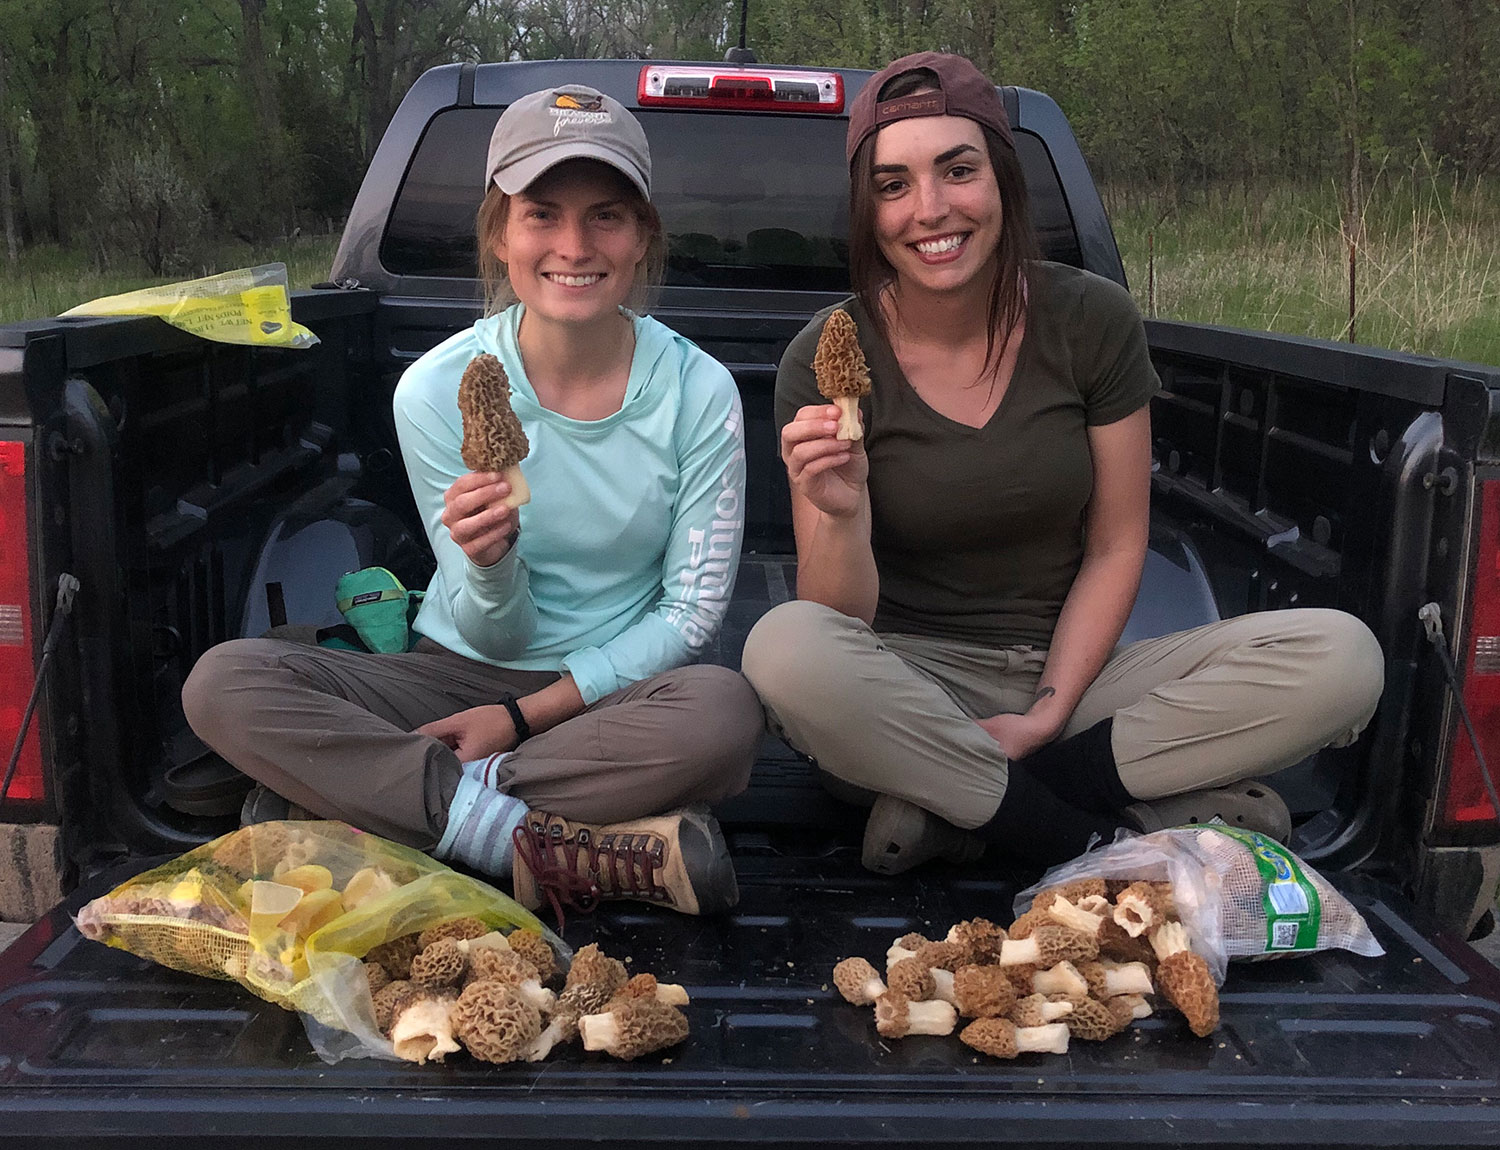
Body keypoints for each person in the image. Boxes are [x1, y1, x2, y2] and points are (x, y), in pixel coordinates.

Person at [740, 52, 1385, 874]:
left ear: (1004, 180)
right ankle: (1088, 836)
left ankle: (980, 807)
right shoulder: (827, 356)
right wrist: (836, 512)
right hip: (910, 691)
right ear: (868, 212)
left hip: (1075, 683)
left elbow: (1119, 544)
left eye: (958, 170)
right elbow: (840, 623)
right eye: (893, 185)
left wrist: (1046, 714)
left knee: (1343, 657)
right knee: (784, 647)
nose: (929, 209)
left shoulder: (1090, 321)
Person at [184, 85, 763, 918]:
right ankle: (532, 843)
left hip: (606, 696)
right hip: (450, 675)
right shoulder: (436, 389)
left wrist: (521, 721)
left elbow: (690, 617)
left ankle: (378, 806)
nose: (574, 244)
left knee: (724, 713)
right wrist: (490, 567)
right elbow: (499, 633)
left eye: (606, 215)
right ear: (500, 231)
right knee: (223, 682)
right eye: (542, 214)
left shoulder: (697, 391)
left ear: (642, 238)